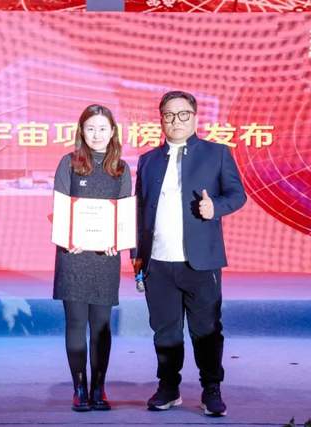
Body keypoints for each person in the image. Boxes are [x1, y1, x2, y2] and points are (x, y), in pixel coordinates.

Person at [132, 91, 246, 416]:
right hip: (158, 262)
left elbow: (237, 194)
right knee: (164, 330)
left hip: (201, 262)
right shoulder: (148, 160)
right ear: (161, 120)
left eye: (183, 114)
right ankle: (168, 387)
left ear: (195, 118)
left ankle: (211, 389)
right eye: (169, 115)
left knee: (206, 329)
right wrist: (137, 257)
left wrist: (216, 208)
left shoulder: (216, 153)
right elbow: (139, 211)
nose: (176, 121)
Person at [52, 104, 132, 412]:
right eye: (90, 128)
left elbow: (124, 213)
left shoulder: (121, 169)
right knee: (75, 322)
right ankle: (79, 388)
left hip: (105, 257)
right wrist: (67, 238)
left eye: (102, 128)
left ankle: (99, 388)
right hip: (73, 255)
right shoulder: (69, 163)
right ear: (81, 132)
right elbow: (60, 207)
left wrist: (118, 241)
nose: (96, 134)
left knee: (101, 325)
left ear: (112, 132)